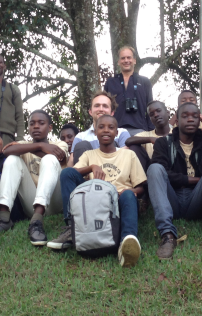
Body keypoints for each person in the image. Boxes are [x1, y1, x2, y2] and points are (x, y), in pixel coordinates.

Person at [48, 115, 146, 268]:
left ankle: (127, 241)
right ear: (95, 132)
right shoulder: (89, 155)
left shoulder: (128, 154)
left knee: (128, 193)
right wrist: (91, 167)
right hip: (94, 204)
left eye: (111, 127)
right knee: (66, 173)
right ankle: (70, 228)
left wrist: (131, 190)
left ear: (116, 132)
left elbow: (141, 186)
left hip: (119, 203)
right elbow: (72, 174)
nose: (106, 130)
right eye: (101, 127)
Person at [147, 102, 202, 260]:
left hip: (197, 201)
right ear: (176, 120)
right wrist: (191, 180)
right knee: (154, 169)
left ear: (200, 121)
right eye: (185, 116)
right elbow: (163, 173)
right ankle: (167, 235)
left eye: (195, 116)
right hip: (172, 199)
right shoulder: (163, 143)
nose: (190, 119)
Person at [0, 110, 68, 244]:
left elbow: (59, 158)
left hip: (55, 202)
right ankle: (4, 218)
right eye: (32, 123)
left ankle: (37, 221)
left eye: (41, 123)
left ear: (50, 127)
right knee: (12, 160)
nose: (36, 126)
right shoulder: (23, 143)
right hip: (31, 202)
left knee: (50, 158)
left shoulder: (59, 144)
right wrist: (40, 145)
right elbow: (7, 151)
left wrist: (28, 147)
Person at [69, 91, 131, 165]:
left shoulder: (122, 133)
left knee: (112, 143)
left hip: (115, 172)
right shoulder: (80, 137)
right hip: (88, 174)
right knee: (82, 145)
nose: (101, 109)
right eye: (97, 106)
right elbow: (71, 164)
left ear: (112, 113)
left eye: (105, 106)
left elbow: (126, 158)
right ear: (90, 112)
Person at [104, 45, 154, 136]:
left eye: (129, 58)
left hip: (140, 129)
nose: (126, 61)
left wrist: (151, 131)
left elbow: (150, 108)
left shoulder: (144, 81)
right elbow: (105, 108)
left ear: (134, 60)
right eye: (123, 58)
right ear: (118, 62)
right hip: (115, 130)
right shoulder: (110, 82)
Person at [125, 100, 172, 172]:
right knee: (134, 146)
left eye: (158, 111)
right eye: (151, 114)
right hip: (153, 173)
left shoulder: (177, 132)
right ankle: (141, 181)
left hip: (176, 173)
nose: (156, 115)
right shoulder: (147, 135)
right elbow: (128, 141)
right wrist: (151, 139)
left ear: (168, 113)